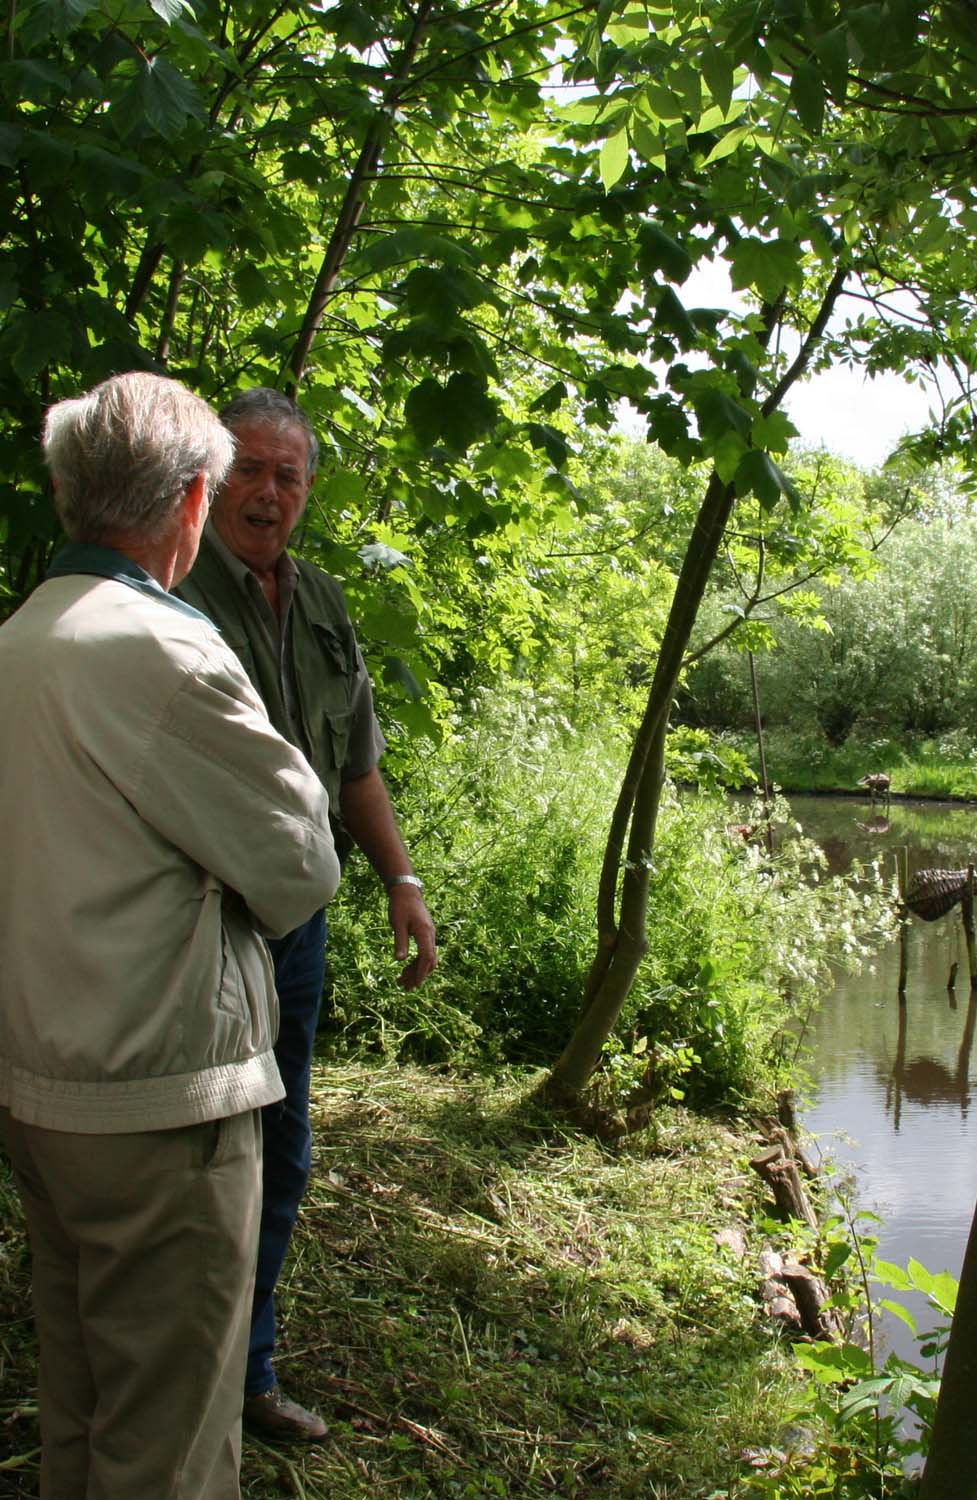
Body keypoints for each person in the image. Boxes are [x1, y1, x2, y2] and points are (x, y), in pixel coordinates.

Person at [0, 371, 342, 1499]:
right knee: (172, 1449)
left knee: (84, 1412)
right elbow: (300, 858)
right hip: (161, 1105)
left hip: (43, 1090)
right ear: (194, 502)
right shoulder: (162, 652)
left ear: (67, 491)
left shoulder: (21, 640)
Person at [176, 386, 438, 1444]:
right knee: (197, 1152)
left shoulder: (323, 603)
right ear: (209, 476)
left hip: (302, 924)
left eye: (289, 475)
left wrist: (402, 881)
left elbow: (358, 764)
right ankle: (181, 1384)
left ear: (309, 491)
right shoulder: (174, 592)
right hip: (202, 919)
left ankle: (250, 1377)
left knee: (284, 1148)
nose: (268, 492)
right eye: (249, 467)